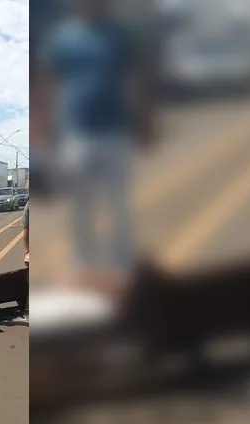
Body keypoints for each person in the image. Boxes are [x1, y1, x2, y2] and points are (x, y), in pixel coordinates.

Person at [37, 0, 153, 287]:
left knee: (119, 205)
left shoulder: (120, 36)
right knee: (80, 208)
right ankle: (85, 269)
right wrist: (42, 136)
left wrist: (145, 121)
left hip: (115, 133)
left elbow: (137, 78)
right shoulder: (61, 38)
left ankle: (124, 270)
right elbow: (46, 85)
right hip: (75, 136)